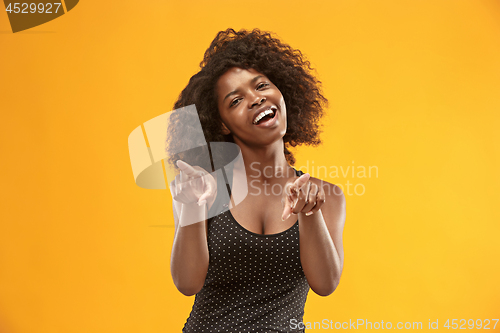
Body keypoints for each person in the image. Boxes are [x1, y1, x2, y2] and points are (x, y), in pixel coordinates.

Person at [166, 28, 346, 332]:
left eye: (261, 85)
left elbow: (326, 283)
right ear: (221, 124)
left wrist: (309, 213)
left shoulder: (325, 195)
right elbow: (187, 283)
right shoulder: (199, 187)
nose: (255, 99)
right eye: (235, 100)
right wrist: (194, 207)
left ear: (283, 92)